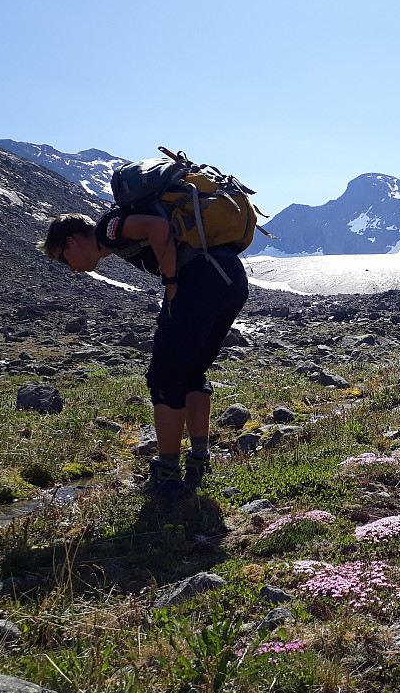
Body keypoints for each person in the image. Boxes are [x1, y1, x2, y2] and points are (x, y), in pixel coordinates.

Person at [38, 209, 248, 497]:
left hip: (201, 283)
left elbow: (158, 226)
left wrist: (171, 282)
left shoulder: (107, 230)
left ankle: (167, 474)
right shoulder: (112, 238)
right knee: (191, 372)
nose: (70, 267)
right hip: (229, 279)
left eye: (64, 258)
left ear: (72, 241)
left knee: (164, 378)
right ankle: (199, 460)